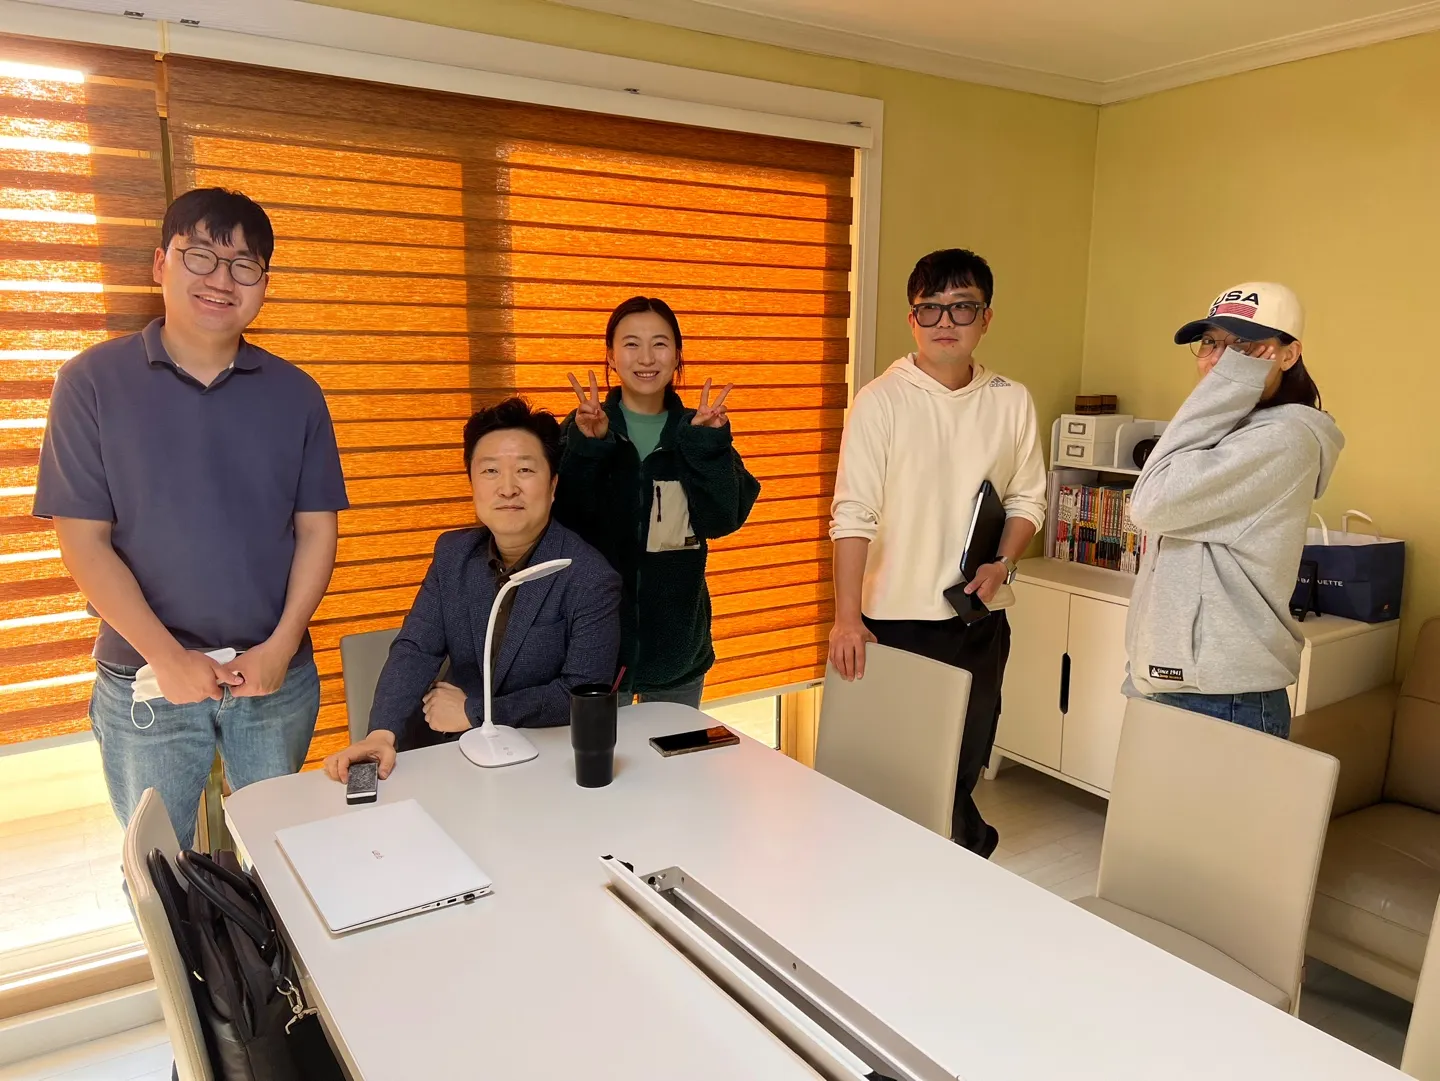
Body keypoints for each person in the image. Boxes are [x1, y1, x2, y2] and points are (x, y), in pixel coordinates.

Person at [33, 187, 348, 845]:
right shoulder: (90, 382)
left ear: (264, 284)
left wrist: (283, 644)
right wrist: (167, 656)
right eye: (200, 256)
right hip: (145, 676)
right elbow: (83, 542)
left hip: (273, 675)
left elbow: (318, 529)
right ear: (160, 264)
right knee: (160, 864)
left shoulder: (297, 394)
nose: (221, 279)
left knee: (283, 854)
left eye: (244, 265)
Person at [828, 249, 1046, 858]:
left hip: (978, 617)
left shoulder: (1010, 400)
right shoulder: (881, 400)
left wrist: (1004, 563)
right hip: (893, 623)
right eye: (930, 308)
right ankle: (948, 858)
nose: (945, 321)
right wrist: (847, 618)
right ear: (912, 318)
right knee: (899, 773)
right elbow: (853, 514)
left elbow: (1028, 497)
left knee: (962, 765)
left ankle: (953, 861)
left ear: (986, 317)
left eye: (962, 307)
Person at [325, 398, 621, 782]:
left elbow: (579, 694)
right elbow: (416, 649)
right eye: (491, 471)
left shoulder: (590, 577)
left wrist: (475, 712)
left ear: (552, 486)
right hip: (451, 755)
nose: (508, 488)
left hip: (542, 764)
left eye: (525, 470)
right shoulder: (453, 554)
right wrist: (381, 733)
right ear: (472, 484)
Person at [1125, 282, 1343, 739]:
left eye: (1243, 346)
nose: (1220, 361)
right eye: (1210, 343)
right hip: (1175, 678)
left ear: (1289, 355)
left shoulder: (1284, 439)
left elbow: (1150, 503)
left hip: (1223, 694)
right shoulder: (1229, 427)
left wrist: (1225, 388)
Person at [553, 296, 760, 709]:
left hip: (677, 655)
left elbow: (723, 519)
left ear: (678, 355)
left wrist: (707, 448)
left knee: (673, 752)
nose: (646, 358)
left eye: (660, 344)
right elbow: (561, 524)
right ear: (610, 356)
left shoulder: (698, 430)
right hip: (596, 652)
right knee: (597, 752)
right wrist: (588, 448)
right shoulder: (584, 427)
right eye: (631, 344)